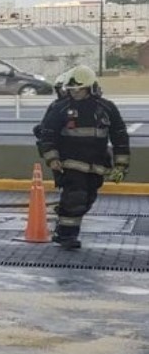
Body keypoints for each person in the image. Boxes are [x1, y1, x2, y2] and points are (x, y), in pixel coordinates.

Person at [34, 65, 130, 250]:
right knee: (76, 197)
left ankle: (64, 221)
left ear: (90, 87)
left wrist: (120, 166)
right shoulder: (61, 108)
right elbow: (47, 134)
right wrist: (53, 159)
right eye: (72, 89)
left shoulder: (107, 108)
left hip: (97, 165)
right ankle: (66, 235)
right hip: (70, 163)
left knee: (87, 199)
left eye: (79, 88)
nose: (75, 93)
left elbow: (120, 136)